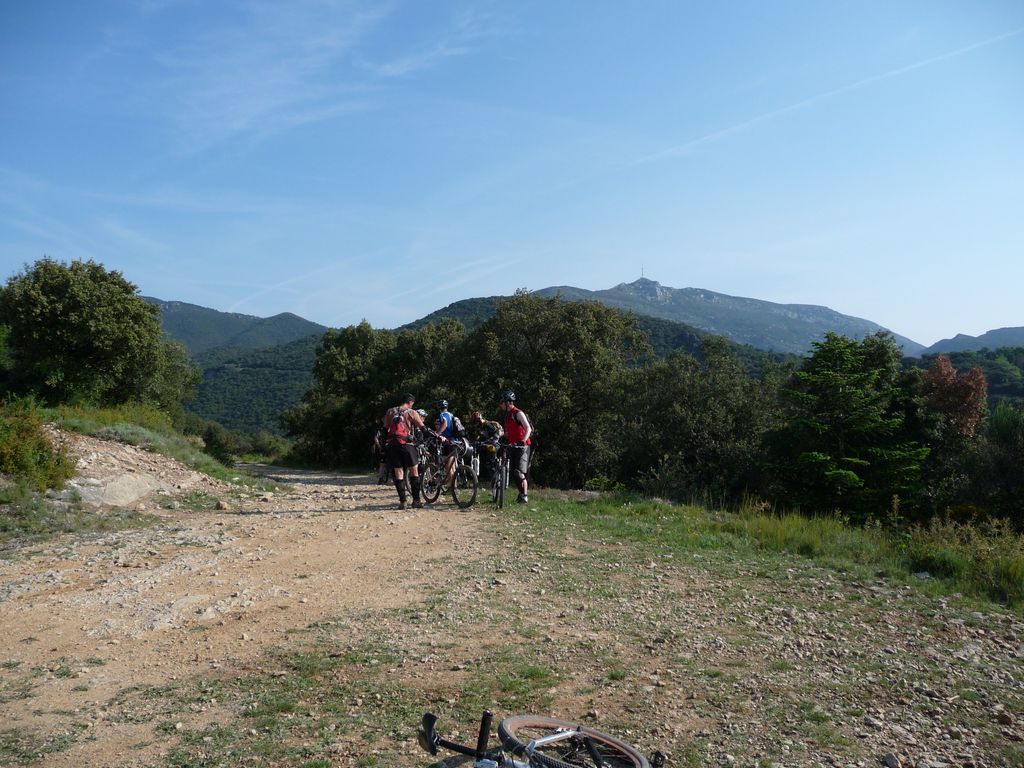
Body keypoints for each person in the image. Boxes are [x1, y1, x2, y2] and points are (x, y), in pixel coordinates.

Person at [383, 392, 428, 509]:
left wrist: (384, 447)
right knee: (414, 471)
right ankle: (416, 501)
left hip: (393, 445)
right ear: (411, 402)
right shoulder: (412, 412)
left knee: (399, 473)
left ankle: (403, 502)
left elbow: (384, 430)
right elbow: (422, 427)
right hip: (407, 445)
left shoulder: (390, 411)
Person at [498, 390, 532, 504]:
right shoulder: (508, 416)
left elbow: (528, 428)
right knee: (513, 472)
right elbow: (510, 432)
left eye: (502, 402)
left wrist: (523, 440)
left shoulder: (518, 413)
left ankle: (525, 495)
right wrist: (503, 437)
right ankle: (521, 493)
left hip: (523, 446)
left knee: (519, 471)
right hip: (513, 445)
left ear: (508, 402)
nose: (500, 404)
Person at [467, 410, 503, 478]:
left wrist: (487, 441)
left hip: (498, 443)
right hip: (488, 444)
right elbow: (477, 437)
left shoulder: (489, 424)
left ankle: (496, 473)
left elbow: (496, 436)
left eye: (476, 422)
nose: (476, 424)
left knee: (491, 458)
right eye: (475, 423)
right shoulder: (479, 428)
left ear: (480, 419)